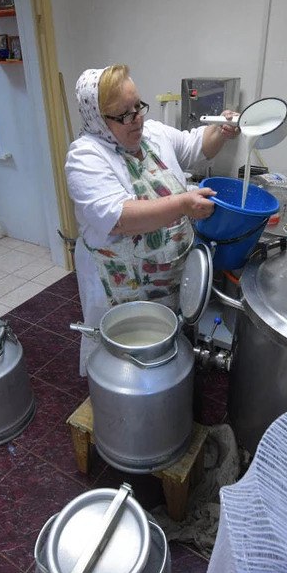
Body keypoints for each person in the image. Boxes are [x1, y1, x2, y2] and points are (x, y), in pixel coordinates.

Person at [66, 64, 239, 374]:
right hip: (121, 286)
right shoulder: (85, 157)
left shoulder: (153, 135)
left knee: (169, 350)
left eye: (138, 106)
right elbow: (121, 218)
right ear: (98, 119)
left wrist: (220, 130)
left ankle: (168, 384)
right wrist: (183, 203)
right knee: (122, 362)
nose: (137, 118)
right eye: (124, 114)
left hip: (171, 275)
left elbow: (196, 146)